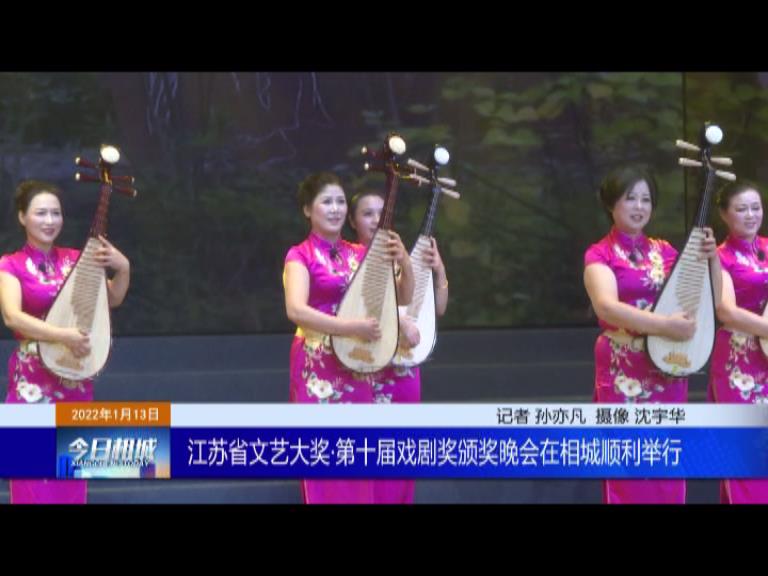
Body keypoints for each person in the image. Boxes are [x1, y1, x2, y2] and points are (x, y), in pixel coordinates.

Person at [583, 166, 717, 504]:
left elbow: (700, 298)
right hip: (623, 367)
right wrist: (664, 326)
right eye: (631, 199)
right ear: (611, 203)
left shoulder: (665, 251)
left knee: (666, 462)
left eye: (646, 199)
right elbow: (607, 308)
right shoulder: (599, 254)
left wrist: (711, 259)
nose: (640, 207)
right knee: (627, 463)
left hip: (666, 366)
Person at [282, 173, 413, 504]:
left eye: (340, 201)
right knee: (325, 454)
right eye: (326, 201)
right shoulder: (299, 255)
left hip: (355, 363)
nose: (336, 208)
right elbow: (296, 310)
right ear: (307, 210)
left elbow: (400, 297)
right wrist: (351, 326)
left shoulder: (361, 253)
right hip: (317, 365)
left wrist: (405, 262)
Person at [0, 179, 130, 504]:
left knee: (70, 483)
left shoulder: (76, 259)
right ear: (22, 217)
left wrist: (123, 268)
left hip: (74, 380)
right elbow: (12, 317)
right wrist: (64, 335)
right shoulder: (9, 265)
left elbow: (112, 299)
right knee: (31, 482)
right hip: (32, 386)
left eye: (55, 213)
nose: (49, 220)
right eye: (40, 213)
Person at [346, 190, 449, 503]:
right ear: (352, 221)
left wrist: (439, 270)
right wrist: (399, 321)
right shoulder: (348, 259)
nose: (377, 220)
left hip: (403, 370)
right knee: (369, 454)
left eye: (381, 212)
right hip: (368, 366)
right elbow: (359, 309)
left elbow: (438, 308)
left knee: (400, 454)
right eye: (367, 213)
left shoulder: (401, 258)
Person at [708, 181, 768, 503]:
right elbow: (726, 311)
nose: (751, 215)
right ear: (724, 214)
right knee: (745, 451)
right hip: (738, 362)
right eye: (742, 209)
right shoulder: (719, 257)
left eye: (756, 207)